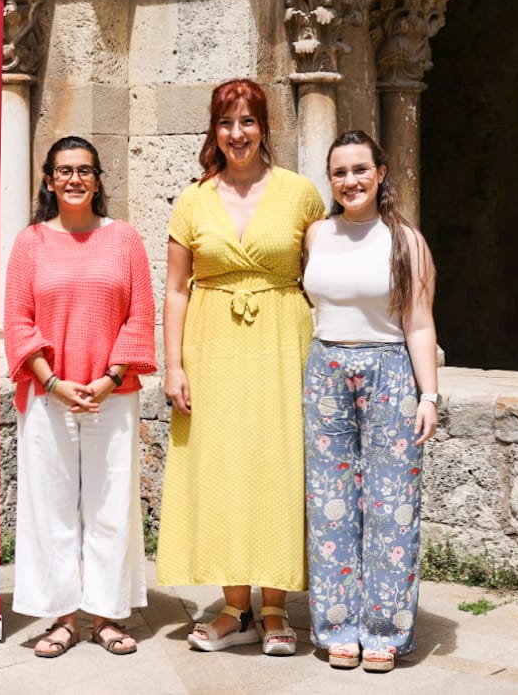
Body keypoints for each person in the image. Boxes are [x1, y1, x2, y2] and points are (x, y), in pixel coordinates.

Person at [156, 79, 327, 655]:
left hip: (284, 337)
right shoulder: (193, 200)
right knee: (223, 465)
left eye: (248, 121)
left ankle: (276, 608)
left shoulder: (301, 193)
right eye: (227, 123)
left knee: (279, 463)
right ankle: (235, 607)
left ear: (264, 128)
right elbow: (176, 289)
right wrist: (173, 364)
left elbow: (324, 277)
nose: (237, 134)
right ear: (214, 131)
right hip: (213, 342)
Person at [3, 136, 158, 658]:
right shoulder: (30, 243)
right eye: (64, 171)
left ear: (97, 180)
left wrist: (109, 380)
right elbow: (18, 321)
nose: (75, 179)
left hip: (111, 395)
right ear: (49, 181)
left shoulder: (125, 239)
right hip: (50, 396)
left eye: (85, 171)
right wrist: (52, 382)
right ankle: (64, 617)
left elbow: (140, 314)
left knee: (111, 504)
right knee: (52, 507)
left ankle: (107, 616)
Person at [301, 130, 439, 673]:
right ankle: (337, 627)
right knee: (329, 502)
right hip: (326, 368)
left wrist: (429, 394)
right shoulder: (316, 234)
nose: (350, 181)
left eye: (360, 169)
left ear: (381, 173)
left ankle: (383, 629)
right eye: (339, 172)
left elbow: (420, 321)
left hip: (389, 369)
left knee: (391, 503)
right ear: (330, 179)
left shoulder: (405, 240)